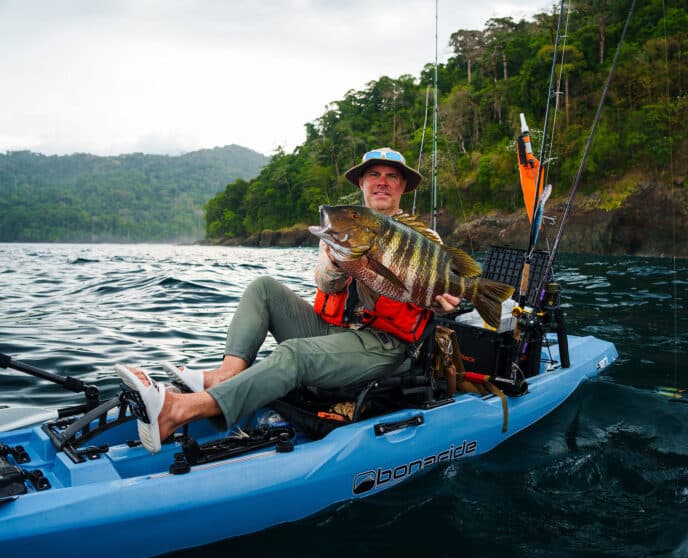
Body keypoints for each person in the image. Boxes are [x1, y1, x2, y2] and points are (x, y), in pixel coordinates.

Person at [116, 147, 460, 454]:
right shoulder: (344, 227)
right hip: (337, 332)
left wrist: (444, 300)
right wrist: (344, 259)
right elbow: (325, 281)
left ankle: (178, 411)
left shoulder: (424, 238)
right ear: (362, 184)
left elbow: (433, 291)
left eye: (392, 177)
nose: (382, 182)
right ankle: (226, 376)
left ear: (402, 187)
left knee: (292, 354)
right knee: (263, 287)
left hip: (387, 346)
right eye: (374, 175)